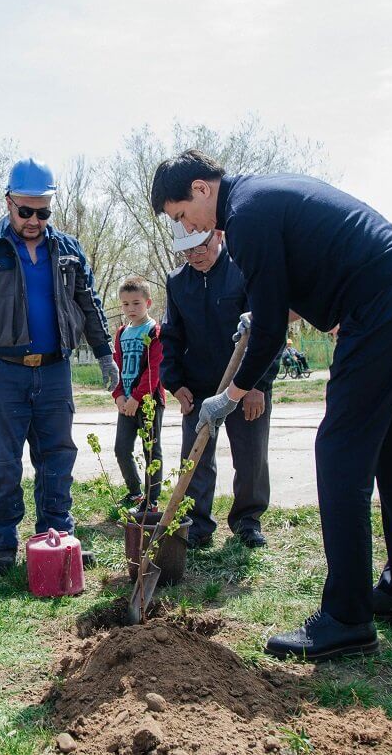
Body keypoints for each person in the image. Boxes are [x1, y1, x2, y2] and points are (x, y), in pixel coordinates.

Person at [151, 150, 392, 662]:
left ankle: (348, 619)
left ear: (200, 188)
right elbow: (286, 293)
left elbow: (269, 332)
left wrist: (230, 396)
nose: (185, 226)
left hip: (380, 304)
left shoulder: (245, 216)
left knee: (339, 453)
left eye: (179, 214)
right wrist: (268, 314)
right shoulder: (261, 198)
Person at [0, 157, 118, 576]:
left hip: (53, 371)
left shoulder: (68, 250)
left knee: (57, 457)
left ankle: (55, 537)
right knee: (0, 461)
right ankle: (3, 545)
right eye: (26, 211)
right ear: (8, 203)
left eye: (44, 211)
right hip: (0, 371)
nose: (35, 220)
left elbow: (88, 304)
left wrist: (104, 351)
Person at [161, 223, 279, 550]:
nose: (195, 255)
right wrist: (176, 383)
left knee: (251, 458)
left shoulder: (244, 272)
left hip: (246, 386)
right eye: (187, 250)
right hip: (199, 388)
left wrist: (258, 384)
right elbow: (171, 336)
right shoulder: (177, 282)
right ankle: (197, 525)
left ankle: (247, 521)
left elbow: (269, 329)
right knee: (195, 459)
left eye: (201, 246)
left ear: (219, 236)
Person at [111, 275, 165, 509]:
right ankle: (134, 492)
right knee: (121, 449)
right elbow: (117, 368)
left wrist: (137, 398)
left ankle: (151, 500)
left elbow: (155, 369)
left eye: (136, 303)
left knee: (151, 450)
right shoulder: (122, 332)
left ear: (148, 303)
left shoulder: (154, 331)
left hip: (149, 401)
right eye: (125, 304)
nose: (130, 308)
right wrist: (119, 396)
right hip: (126, 401)